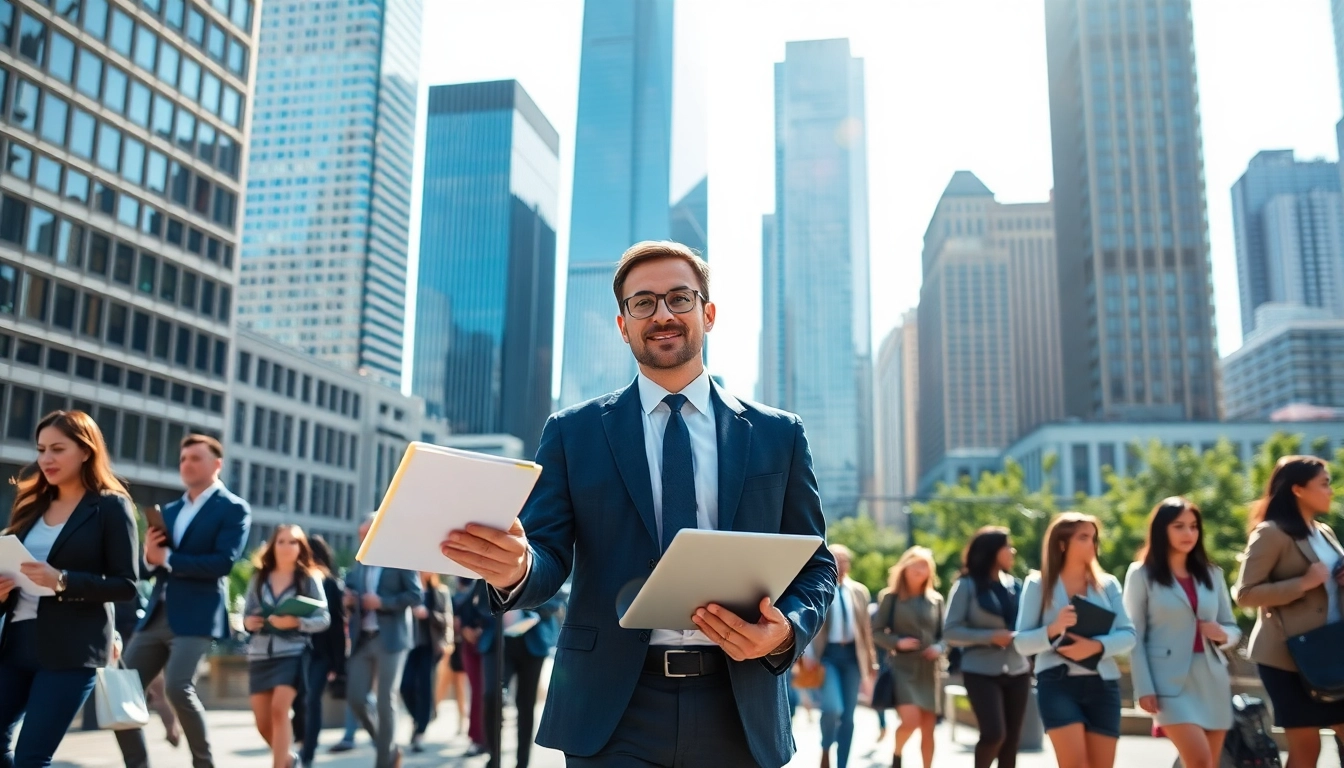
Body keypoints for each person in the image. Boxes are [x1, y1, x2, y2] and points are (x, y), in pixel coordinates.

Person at [440, 240, 836, 768]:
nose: (663, 314)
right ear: (623, 324)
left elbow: (816, 564)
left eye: (679, 298)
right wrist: (515, 567)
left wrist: (785, 630)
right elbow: (546, 558)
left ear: (708, 313)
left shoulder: (776, 434)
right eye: (643, 303)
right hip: (611, 709)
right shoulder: (572, 433)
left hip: (739, 706)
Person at [0, 410, 139, 767]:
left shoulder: (110, 506)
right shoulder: (30, 505)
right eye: (42, 449)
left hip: (71, 650)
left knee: (32, 756)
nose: (46, 458)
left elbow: (126, 586)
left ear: (85, 450)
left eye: (58, 449)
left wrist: (62, 580)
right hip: (15, 642)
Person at [116, 433, 250, 768]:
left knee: (177, 687)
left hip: (197, 614)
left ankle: (203, 764)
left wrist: (167, 558)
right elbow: (148, 568)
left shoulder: (233, 509)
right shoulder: (171, 510)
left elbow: (223, 563)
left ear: (217, 464)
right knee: (122, 692)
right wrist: (149, 556)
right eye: (183, 459)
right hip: (157, 613)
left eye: (195, 458)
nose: (187, 464)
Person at [1233, 455, 1344, 766]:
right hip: (1288, 658)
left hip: (1333, 651)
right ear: (1298, 489)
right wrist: (1303, 583)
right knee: (1307, 749)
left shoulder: (1324, 532)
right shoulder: (1271, 533)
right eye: (1324, 484)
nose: (1330, 491)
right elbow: (1245, 594)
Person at [1124, 497, 1240, 768]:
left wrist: (1221, 633)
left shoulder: (1213, 574)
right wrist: (1143, 688)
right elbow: (1135, 636)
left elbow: (1232, 627)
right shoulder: (1141, 574)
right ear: (1162, 530)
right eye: (1179, 526)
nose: (1188, 533)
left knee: (1210, 763)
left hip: (1212, 679)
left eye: (1193, 526)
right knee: (1199, 760)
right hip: (1168, 684)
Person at [1014, 512, 1135, 768]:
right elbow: (1021, 642)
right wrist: (1054, 628)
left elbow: (1128, 635)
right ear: (1061, 543)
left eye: (1093, 538)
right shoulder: (1038, 584)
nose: (1092, 544)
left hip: (1104, 686)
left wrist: (1097, 646)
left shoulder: (1108, 584)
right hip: (1057, 685)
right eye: (1083, 537)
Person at [242, 525, 331, 768]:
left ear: (301, 548)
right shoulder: (259, 577)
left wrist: (296, 621)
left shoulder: (309, 578)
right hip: (260, 654)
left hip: (292, 653)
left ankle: (278, 765)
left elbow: (324, 619)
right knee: (262, 722)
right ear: (273, 546)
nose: (286, 546)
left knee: (279, 710)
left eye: (293, 542)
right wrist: (249, 622)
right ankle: (288, 759)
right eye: (281, 541)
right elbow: (246, 615)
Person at [944, 527, 1030, 768]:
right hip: (980, 670)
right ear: (992, 551)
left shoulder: (1016, 585)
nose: (1012, 551)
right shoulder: (966, 585)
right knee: (994, 734)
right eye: (1007, 546)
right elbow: (950, 631)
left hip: (1018, 670)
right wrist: (990, 636)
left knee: (1012, 741)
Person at [344, 516, 422, 768]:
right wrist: (350, 599)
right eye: (360, 534)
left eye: (366, 533)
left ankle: (383, 763)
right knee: (356, 697)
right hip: (363, 637)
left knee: (385, 697)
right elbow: (353, 591)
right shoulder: (360, 563)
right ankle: (387, 747)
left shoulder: (401, 558)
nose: (361, 539)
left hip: (392, 637)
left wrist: (382, 602)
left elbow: (415, 594)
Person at [478, 583, 567, 768]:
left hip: (532, 643)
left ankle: (522, 763)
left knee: (526, 706)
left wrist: (519, 601)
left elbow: (556, 601)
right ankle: (493, 757)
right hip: (498, 642)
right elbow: (479, 604)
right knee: (491, 697)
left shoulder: (544, 556)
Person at [804, 544, 876, 768]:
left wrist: (871, 662)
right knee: (833, 708)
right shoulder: (818, 588)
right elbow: (808, 624)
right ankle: (826, 747)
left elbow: (865, 629)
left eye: (844, 559)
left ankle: (842, 763)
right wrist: (808, 654)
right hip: (828, 656)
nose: (841, 564)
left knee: (848, 717)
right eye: (836, 559)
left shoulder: (859, 591)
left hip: (853, 657)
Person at [873, 546, 944, 768]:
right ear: (904, 567)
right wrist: (897, 642)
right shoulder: (890, 597)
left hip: (929, 670)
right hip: (903, 668)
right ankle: (897, 752)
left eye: (924, 565)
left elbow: (945, 635)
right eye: (915, 563)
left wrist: (940, 648)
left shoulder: (936, 600)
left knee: (929, 728)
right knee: (911, 721)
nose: (919, 569)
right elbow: (876, 632)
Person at [297, 535, 346, 767]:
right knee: (299, 700)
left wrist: (338, 665)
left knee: (311, 699)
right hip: (298, 650)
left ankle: (308, 753)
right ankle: (300, 743)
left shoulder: (330, 583)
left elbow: (337, 626)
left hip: (321, 654)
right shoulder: (297, 581)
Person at [401, 572, 451, 753]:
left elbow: (446, 619)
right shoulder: (408, 590)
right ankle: (421, 718)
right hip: (410, 646)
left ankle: (420, 731)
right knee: (405, 686)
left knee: (424, 687)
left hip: (430, 646)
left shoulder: (439, 592)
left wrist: (427, 614)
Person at [453, 577, 488, 755]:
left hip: (489, 643)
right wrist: (465, 629)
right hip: (471, 646)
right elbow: (459, 610)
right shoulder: (470, 590)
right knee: (477, 691)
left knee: (487, 692)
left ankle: (486, 737)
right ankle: (476, 737)